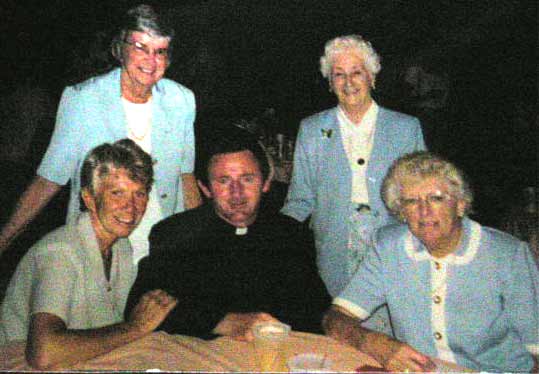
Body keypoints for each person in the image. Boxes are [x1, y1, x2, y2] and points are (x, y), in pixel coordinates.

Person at [0, 4, 201, 263]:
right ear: (120, 49)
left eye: (160, 52)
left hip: (163, 245)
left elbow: (186, 177)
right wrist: (4, 239)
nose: (151, 62)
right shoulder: (83, 100)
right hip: (101, 244)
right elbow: (49, 179)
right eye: (141, 47)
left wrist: (199, 245)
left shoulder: (181, 100)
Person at [323, 151, 539, 372]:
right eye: (411, 201)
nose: (424, 211)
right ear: (401, 212)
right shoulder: (389, 247)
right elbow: (335, 319)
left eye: (436, 198)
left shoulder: (508, 255)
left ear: (461, 205)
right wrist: (374, 343)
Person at [126, 128, 331, 340]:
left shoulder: (291, 235)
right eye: (223, 181)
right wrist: (221, 322)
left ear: (266, 182)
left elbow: (316, 310)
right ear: (205, 188)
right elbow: (138, 310)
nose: (237, 193)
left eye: (247, 179)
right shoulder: (174, 234)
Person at [281, 34, 426, 334]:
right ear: (330, 82)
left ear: (372, 76)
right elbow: (300, 200)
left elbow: (421, 194)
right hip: (335, 247)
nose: (348, 82)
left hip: (392, 245)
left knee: (396, 331)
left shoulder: (406, 128)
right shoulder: (311, 129)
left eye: (356, 72)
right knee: (342, 334)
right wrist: (271, 239)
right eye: (339, 75)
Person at [0, 139, 177, 369]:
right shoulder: (60, 252)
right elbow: (43, 353)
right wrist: (135, 327)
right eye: (117, 193)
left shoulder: (121, 247)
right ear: (89, 199)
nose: (131, 207)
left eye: (139, 194)